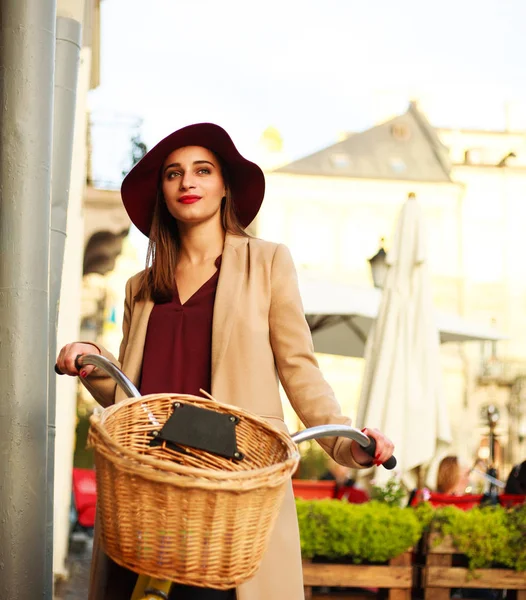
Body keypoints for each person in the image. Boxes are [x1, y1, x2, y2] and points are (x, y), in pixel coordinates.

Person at [56, 123, 395, 600]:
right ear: (163, 193)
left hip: (230, 498)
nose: (187, 182)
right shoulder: (141, 287)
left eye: (202, 170)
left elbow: (300, 369)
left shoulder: (268, 263)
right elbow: (129, 394)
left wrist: (345, 441)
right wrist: (93, 361)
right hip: (148, 488)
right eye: (173, 174)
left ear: (224, 187)